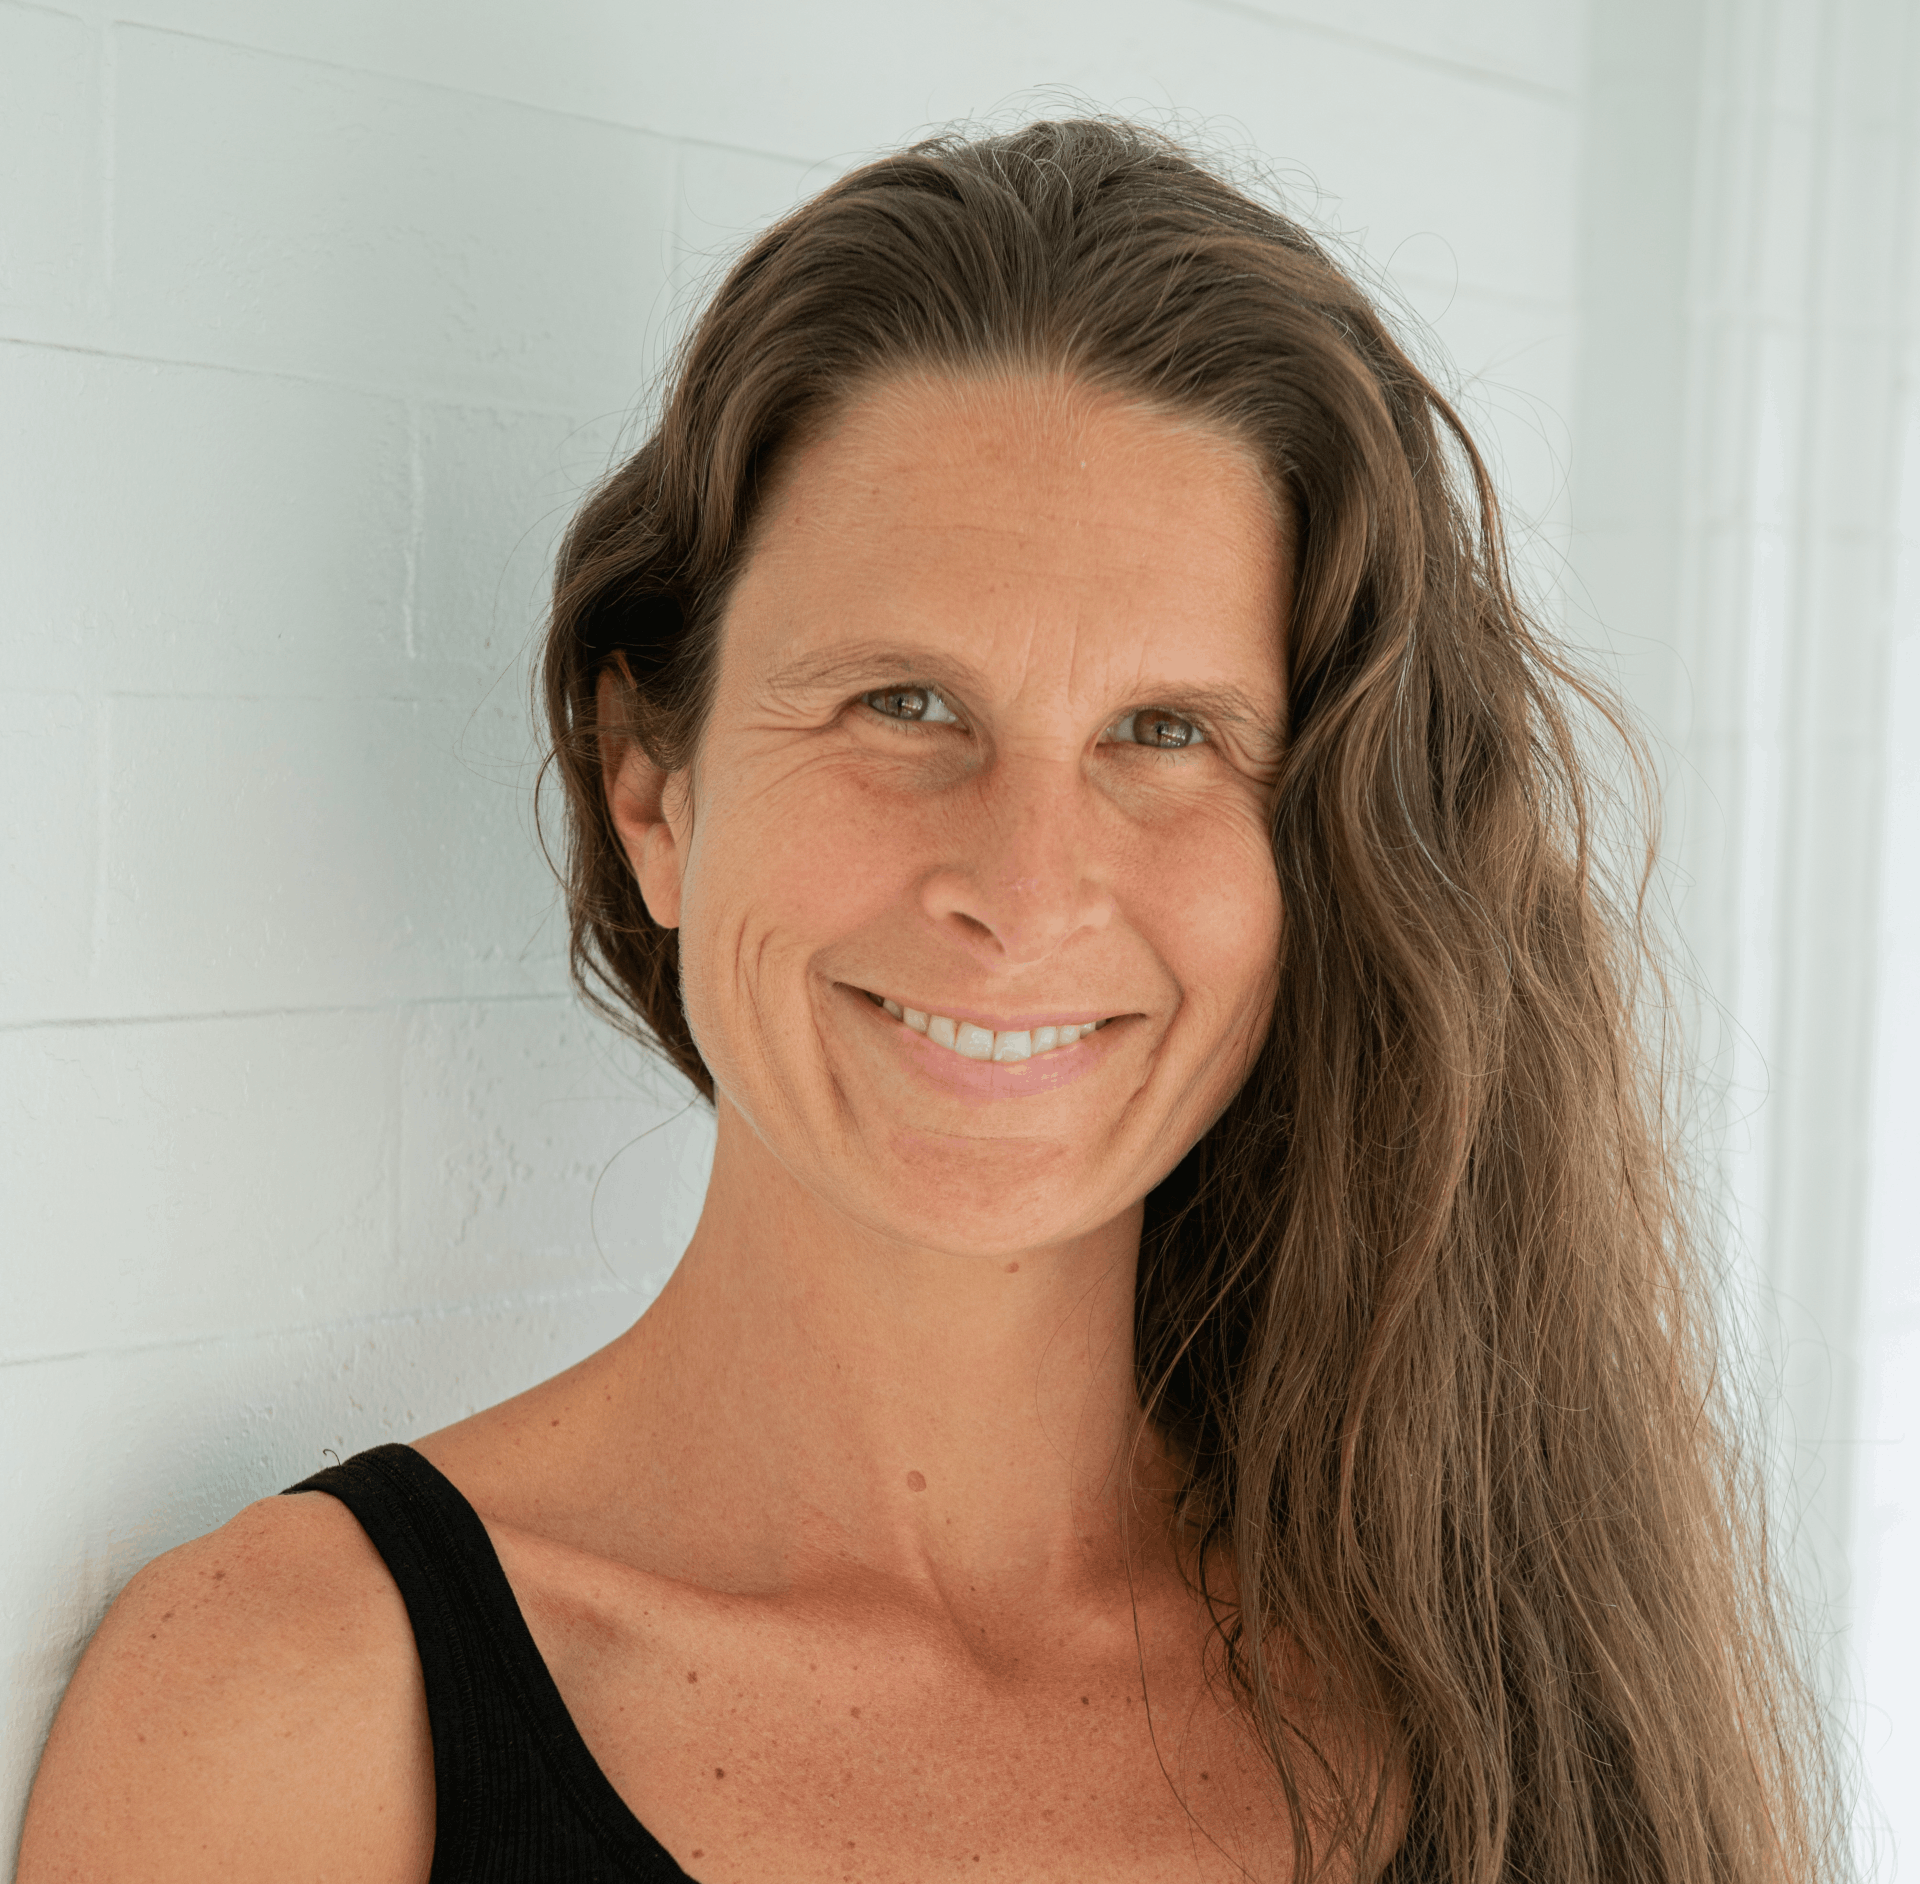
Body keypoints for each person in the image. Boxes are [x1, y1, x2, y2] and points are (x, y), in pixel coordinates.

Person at [19, 118, 1839, 1884]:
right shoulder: (301, 1712)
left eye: (1166, 732)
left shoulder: (1517, 1695)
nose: (1026, 886)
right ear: (652, 787)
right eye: (905, 705)